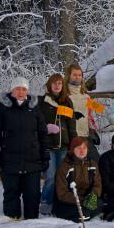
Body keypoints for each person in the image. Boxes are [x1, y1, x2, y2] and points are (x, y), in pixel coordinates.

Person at [0, 77, 49, 220]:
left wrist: (45, 156)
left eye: (24, 89)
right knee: (11, 194)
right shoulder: (0, 109)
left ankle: (32, 224)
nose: (21, 92)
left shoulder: (34, 109)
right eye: (18, 88)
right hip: (9, 161)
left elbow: (43, 135)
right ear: (11, 90)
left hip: (32, 161)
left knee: (32, 195)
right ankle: (11, 224)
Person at [38, 73, 77, 215]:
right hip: (48, 145)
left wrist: (75, 143)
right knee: (50, 177)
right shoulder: (42, 101)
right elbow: (37, 122)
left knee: (62, 177)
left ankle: (60, 203)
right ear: (49, 85)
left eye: (60, 83)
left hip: (64, 146)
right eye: (54, 83)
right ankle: (46, 203)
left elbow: (72, 124)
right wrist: (46, 128)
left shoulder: (67, 101)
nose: (57, 86)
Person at [54, 137, 102, 222]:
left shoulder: (93, 164)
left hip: (87, 200)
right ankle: (84, 215)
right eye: (79, 148)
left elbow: (97, 185)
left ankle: (84, 214)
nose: (82, 151)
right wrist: (81, 200)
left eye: (84, 148)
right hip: (69, 202)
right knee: (79, 211)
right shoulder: (64, 167)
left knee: (100, 204)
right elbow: (62, 193)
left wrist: (91, 197)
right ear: (73, 149)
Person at [64, 63, 100, 162]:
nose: (77, 77)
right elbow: (59, 115)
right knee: (76, 166)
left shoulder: (86, 96)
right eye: (74, 75)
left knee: (96, 162)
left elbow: (89, 116)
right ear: (68, 76)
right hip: (72, 136)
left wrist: (92, 130)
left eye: (80, 75)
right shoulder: (64, 94)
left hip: (85, 135)